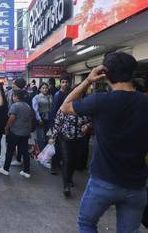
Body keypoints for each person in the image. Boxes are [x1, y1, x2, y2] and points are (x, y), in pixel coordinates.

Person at [61, 52, 148, 232]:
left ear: (105, 73)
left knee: (86, 223)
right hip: (136, 185)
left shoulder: (100, 101)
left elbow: (65, 107)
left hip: (103, 181)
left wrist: (88, 81)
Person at [49, 109, 91, 197]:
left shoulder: (84, 107)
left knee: (74, 161)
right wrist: (53, 137)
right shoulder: (65, 107)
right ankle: (66, 186)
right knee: (67, 160)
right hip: (65, 138)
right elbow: (58, 123)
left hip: (79, 138)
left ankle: (69, 178)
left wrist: (87, 125)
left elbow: (91, 120)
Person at [0, 90, 32, 178]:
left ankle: (5, 169)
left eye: (13, 96)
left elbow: (12, 117)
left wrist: (7, 127)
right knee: (25, 152)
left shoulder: (15, 105)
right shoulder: (27, 106)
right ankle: (26, 171)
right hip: (25, 133)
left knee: (9, 150)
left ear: (15, 96)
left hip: (15, 132)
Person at [50, 74, 71, 174]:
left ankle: (58, 164)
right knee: (57, 146)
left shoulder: (69, 94)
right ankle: (54, 166)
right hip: (58, 124)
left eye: (67, 82)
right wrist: (56, 126)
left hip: (66, 125)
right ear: (60, 83)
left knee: (64, 147)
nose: (65, 84)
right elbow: (54, 112)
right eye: (63, 82)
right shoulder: (58, 95)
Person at [32, 82, 53, 152]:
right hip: (41, 119)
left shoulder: (50, 96)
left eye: (46, 88)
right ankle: (41, 153)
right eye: (43, 88)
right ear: (40, 89)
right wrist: (39, 119)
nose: (45, 89)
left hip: (49, 119)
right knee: (40, 137)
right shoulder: (36, 97)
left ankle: (47, 152)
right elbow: (35, 110)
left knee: (48, 135)